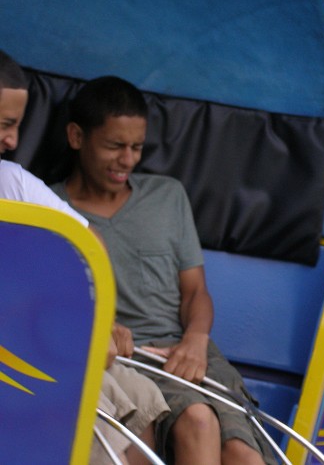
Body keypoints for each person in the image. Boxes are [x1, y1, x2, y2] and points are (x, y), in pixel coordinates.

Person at [52, 76, 274, 465]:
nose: (128, 160)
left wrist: (196, 338)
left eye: (137, 147)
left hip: (188, 349)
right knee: (199, 422)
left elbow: (195, 292)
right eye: (114, 146)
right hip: (127, 358)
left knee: (243, 454)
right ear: (76, 136)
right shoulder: (50, 206)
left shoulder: (167, 195)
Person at [0, 50, 169, 465]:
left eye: (17, 126)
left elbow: (87, 243)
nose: (12, 141)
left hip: (31, 345)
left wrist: (100, 322)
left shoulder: (10, 180)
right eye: (4, 124)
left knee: (140, 397)